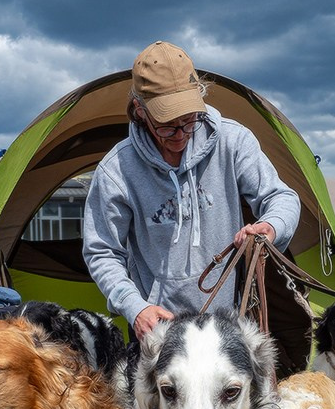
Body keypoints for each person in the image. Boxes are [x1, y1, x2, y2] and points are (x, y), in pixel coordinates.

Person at [82, 40, 301, 339]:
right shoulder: (116, 169)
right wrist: (135, 308)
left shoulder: (233, 141)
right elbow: (102, 251)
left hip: (226, 325)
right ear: (140, 111)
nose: (180, 135)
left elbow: (283, 198)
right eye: (167, 125)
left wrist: (270, 227)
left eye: (189, 121)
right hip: (158, 330)